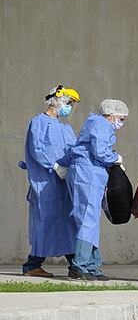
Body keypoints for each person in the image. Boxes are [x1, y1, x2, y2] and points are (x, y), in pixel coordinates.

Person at [18, 85, 81, 277]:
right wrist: (54, 166)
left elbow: (73, 150)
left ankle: (76, 264)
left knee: (68, 221)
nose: (70, 108)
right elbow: (36, 149)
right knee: (46, 221)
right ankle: (33, 265)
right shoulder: (39, 122)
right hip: (45, 183)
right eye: (69, 103)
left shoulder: (65, 128)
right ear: (58, 100)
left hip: (64, 183)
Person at [66, 99, 128, 281]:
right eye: (121, 118)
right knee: (88, 219)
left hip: (88, 173)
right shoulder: (101, 124)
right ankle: (79, 266)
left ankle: (92, 266)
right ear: (111, 114)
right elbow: (100, 152)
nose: (121, 122)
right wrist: (115, 158)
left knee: (89, 220)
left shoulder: (95, 123)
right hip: (89, 173)